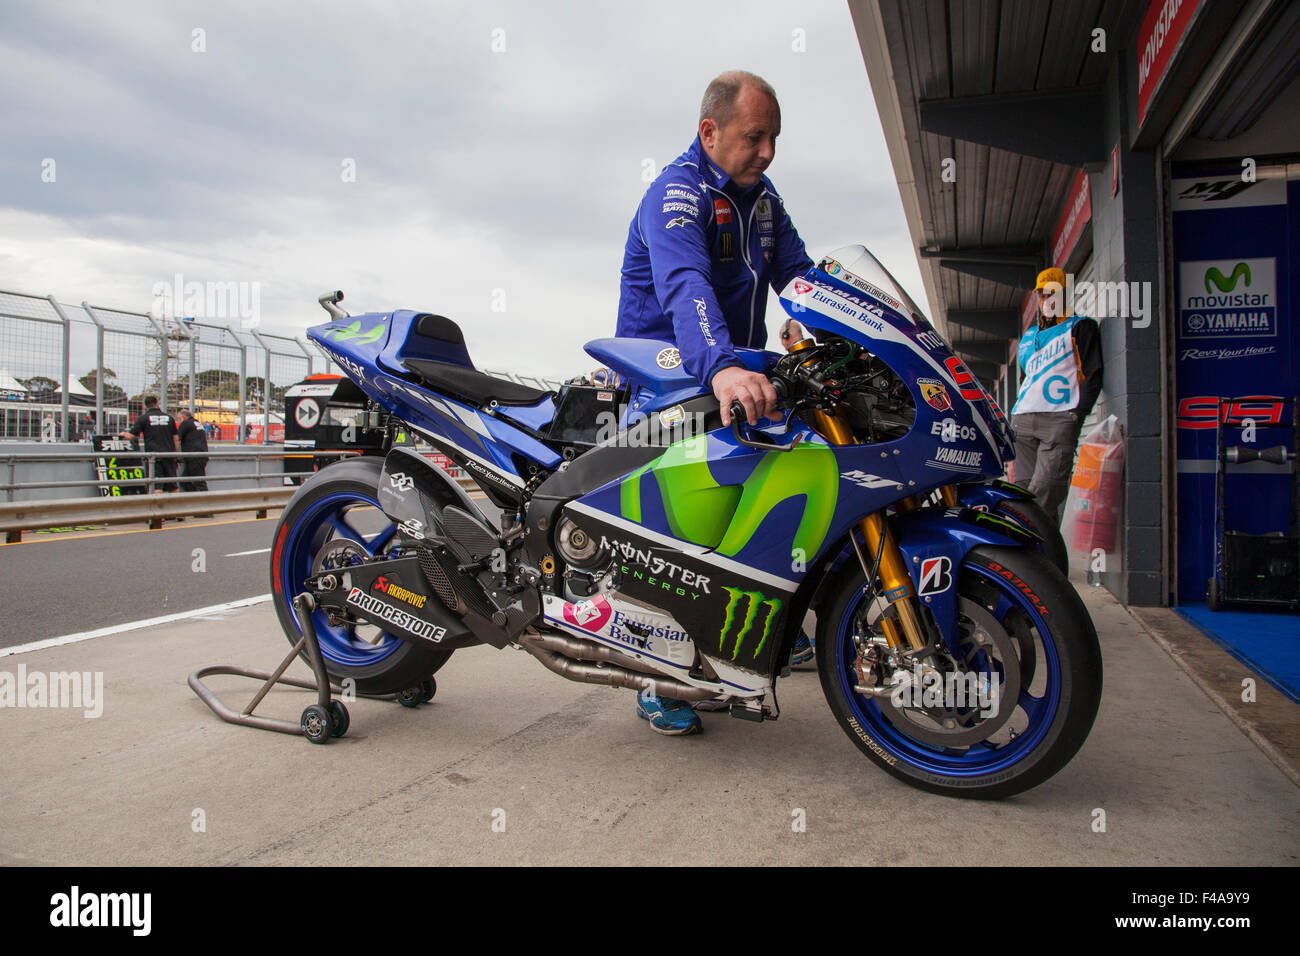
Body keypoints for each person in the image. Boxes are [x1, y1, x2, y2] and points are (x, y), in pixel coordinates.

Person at [616, 70, 814, 736]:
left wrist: (858, 334)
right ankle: (653, 678)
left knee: (789, 474)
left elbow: (803, 278)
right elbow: (685, 284)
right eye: (754, 137)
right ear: (711, 132)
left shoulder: (763, 199)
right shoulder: (675, 192)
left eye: (773, 139)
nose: (766, 152)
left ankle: (773, 618)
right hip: (666, 378)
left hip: (731, 371)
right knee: (667, 537)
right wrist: (722, 368)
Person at [1010, 267, 1104, 524]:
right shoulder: (1029, 337)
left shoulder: (1081, 327)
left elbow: (1093, 373)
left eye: (1053, 293)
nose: (1046, 299)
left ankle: (1023, 547)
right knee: (1022, 491)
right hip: (1023, 420)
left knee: (1046, 491)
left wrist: (1076, 415)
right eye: (1041, 294)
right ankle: (1042, 557)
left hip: (1059, 418)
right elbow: (1025, 377)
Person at [119, 395, 179, 493]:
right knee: (173, 487)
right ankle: (176, 507)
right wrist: (175, 455)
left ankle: (158, 507)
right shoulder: (169, 418)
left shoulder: (143, 418)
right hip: (169, 455)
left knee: (157, 487)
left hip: (154, 456)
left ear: (145, 407)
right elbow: (176, 439)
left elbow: (131, 436)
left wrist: (123, 433)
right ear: (157, 404)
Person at [177, 408, 210, 494]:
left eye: (179, 419)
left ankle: (205, 500)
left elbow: (177, 438)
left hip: (194, 456)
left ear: (184, 417)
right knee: (186, 481)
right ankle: (194, 498)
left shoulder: (186, 423)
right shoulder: (196, 423)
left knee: (198, 482)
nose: (179, 421)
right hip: (200, 454)